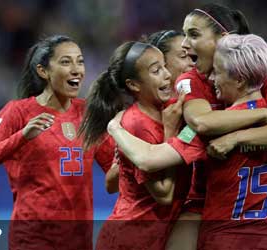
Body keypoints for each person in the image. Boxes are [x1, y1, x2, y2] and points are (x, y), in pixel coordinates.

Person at [108, 3, 267, 250]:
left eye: (194, 34)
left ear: (223, 39)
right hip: (250, 211)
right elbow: (203, 121)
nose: (186, 45)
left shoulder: (263, 77)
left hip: (224, 213)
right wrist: (262, 114)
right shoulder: (211, 82)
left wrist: (236, 138)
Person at [0, 35, 94, 250]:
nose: (76, 69)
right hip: (33, 239)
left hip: (79, 240)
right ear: (43, 71)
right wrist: (22, 136)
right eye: (65, 62)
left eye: (80, 61)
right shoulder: (17, 112)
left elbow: (113, 169)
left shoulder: (87, 113)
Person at [79, 41, 190, 250]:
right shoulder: (137, 124)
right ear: (134, 85)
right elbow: (164, 194)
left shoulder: (167, 109)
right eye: (156, 70)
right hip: (128, 239)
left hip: (155, 237)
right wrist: (171, 133)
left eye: (165, 66)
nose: (167, 74)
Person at [92, 29, 195, 195]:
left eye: (193, 56)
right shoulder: (141, 117)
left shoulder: (194, 104)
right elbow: (111, 183)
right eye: (183, 56)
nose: (192, 63)